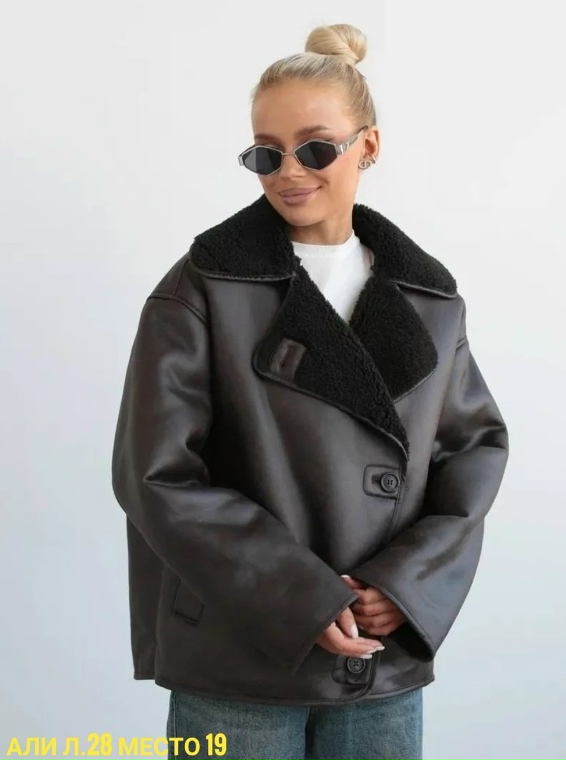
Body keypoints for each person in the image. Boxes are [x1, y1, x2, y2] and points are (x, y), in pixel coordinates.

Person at [111, 22, 509, 760]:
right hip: (238, 654)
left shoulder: (430, 300)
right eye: (266, 153)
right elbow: (154, 475)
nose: (289, 171)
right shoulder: (201, 288)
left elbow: (474, 451)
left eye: (316, 148)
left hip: (379, 659)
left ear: (370, 145)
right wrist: (299, 595)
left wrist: (404, 586)